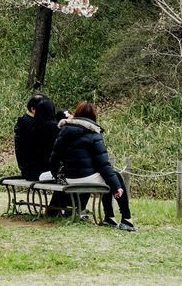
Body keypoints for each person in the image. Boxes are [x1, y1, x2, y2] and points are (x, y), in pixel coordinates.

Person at [49, 101, 135, 231]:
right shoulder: (94, 134)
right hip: (86, 178)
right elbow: (103, 164)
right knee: (114, 176)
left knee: (106, 176)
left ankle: (110, 217)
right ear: (93, 117)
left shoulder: (64, 131)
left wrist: (57, 175)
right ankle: (126, 219)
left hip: (69, 178)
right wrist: (116, 186)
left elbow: (54, 157)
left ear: (77, 114)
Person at [14, 94, 63, 182]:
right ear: (33, 109)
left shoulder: (29, 124)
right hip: (36, 171)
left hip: (32, 170)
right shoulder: (31, 126)